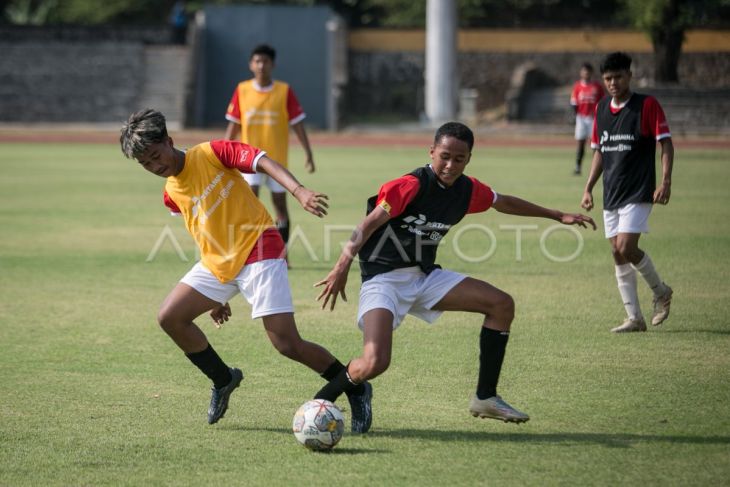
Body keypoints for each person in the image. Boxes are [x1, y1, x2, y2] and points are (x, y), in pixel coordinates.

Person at [312, 122, 596, 432]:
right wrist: (341, 267)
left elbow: (504, 203)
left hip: (424, 277)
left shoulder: (468, 190)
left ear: (469, 158)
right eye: (444, 156)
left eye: (459, 159)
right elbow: (366, 226)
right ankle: (320, 403)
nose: (450, 165)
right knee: (374, 363)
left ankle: (486, 397)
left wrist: (557, 215)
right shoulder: (409, 185)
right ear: (431, 152)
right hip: (383, 280)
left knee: (501, 304)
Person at [119, 108, 370, 429]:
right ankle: (223, 379)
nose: (155, 166)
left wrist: (299, 191)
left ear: (169, 141)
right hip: (217, 262)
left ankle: (355, 385)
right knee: (170, 317)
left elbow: (263, 161)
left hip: (259, 249)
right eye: (146, 164)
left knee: (287, 344)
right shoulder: (170, 194)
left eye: (156, 156)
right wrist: (216, 295)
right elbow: (203, 230)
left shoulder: (212, 153)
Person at [581, 52, 674, 333]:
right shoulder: (600, 109)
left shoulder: (647, 105)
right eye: (608, 78)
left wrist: (666, 181)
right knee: (616, 252)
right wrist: (588, 188)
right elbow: (599, 152)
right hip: (612, 192)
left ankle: (661, 292)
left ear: (629, 76)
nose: (613, 82)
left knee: (626, 247)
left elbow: (666, 144)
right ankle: (634, 318)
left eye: (618, 77)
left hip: (638, 190)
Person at [224, 44, 316, 262]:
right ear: (250, 64)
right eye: (257, 61)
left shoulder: (284, 91)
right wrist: (222, 155)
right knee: (250, 203)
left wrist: (308, 153)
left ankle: (283, 255)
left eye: (265, 61)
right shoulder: (242, 90)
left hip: (276, 161)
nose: (261, 65)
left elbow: (297, 124)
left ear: (272, 64)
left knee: (280, 206)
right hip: (248, 160)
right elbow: (233, 126)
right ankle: (251, 253)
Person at [570, 62, 605, 175]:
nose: (586, 73)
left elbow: (603, 102)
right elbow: (574, 103)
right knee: (580, 143)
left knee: (595, 144)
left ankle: (596, 168)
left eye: (588, 71)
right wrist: (578, 116)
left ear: (591, 73)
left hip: (594, 119)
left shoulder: (597, 87)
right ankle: (578, 167)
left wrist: (597, 115)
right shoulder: (577, 86)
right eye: (584, 71)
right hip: (581, 119)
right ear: (581, 72)